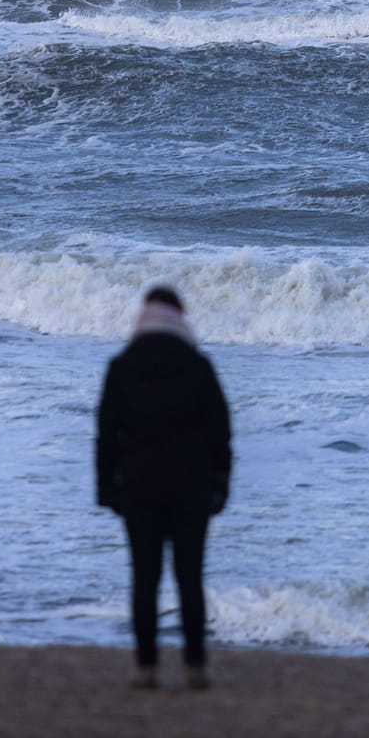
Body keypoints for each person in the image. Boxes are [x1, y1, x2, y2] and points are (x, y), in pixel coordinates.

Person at [95, 286, 231, 690]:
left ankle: (146, 668)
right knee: (190, 577)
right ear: (179, 314)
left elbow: (106, 436)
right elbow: (221, 433)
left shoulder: (121, 366)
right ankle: (195, 667)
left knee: (144, 579)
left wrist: (106, 488)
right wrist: (220, 484)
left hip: (138, 486)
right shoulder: (198, 366)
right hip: (191, 487)